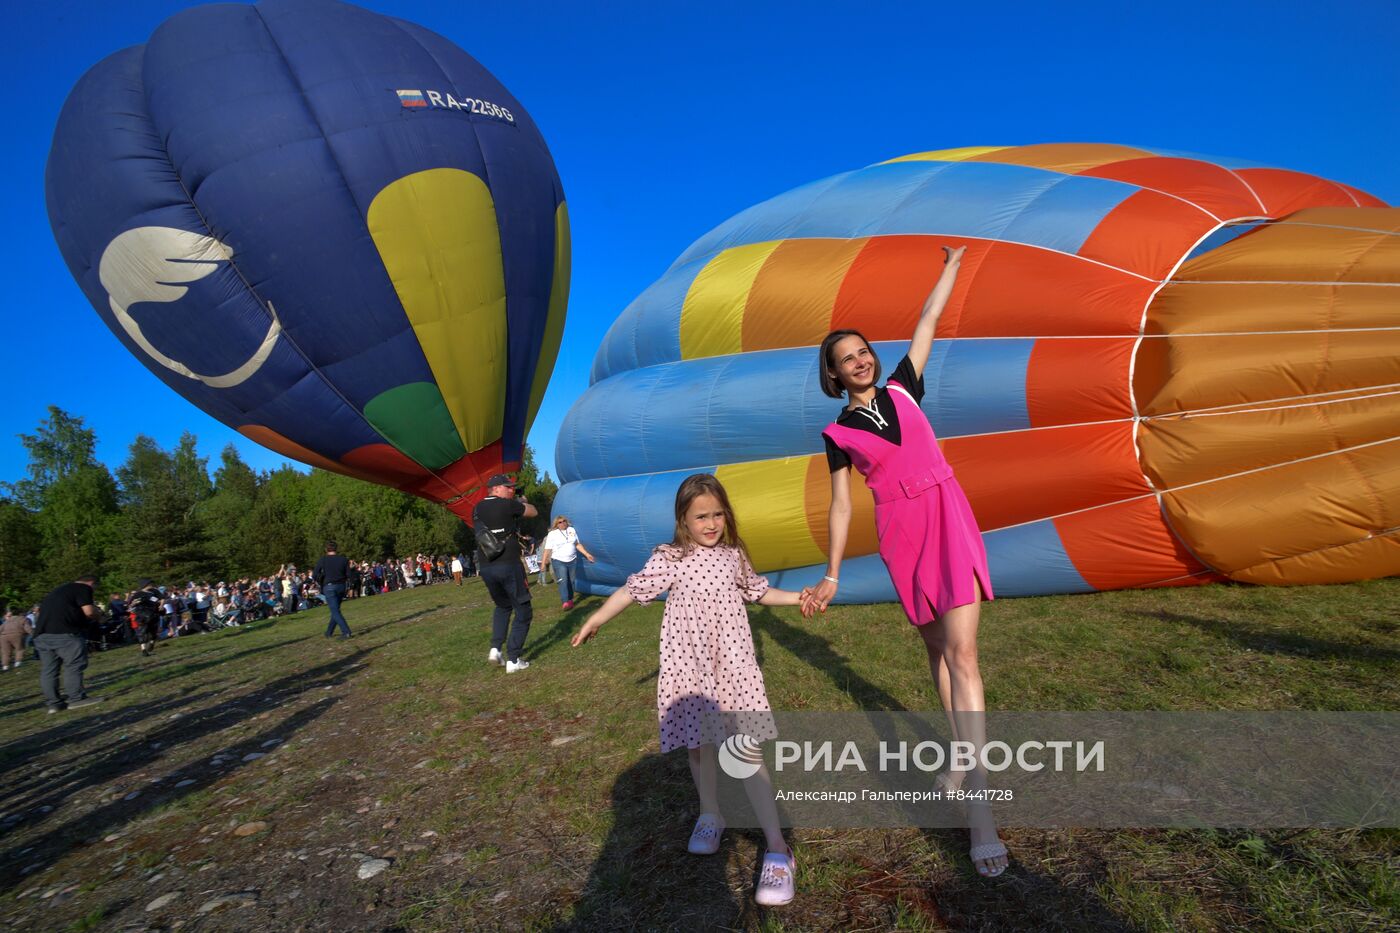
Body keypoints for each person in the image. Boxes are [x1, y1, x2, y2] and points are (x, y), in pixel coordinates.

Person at [806, 245, 1007, 878]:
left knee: (964, 653)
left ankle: (979, 810)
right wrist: (834, 572)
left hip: (947, 514)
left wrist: (951, 266)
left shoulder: (904, 386)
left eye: (864, 350)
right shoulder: (837, 435)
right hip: (901, 533)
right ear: (834, 375)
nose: (860, 360)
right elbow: (841, 507)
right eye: (847, 358)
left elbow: (928, 322)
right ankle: (957, 751)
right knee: (937, 653)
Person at [572, 474, 811, 906]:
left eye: (718, 514)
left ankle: (778, 848)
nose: (711, 523)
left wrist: (798, 598)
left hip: (733, 665)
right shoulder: (670, 558)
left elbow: (759, 592)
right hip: (691, 668)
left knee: (746, 751)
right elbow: (631, 590)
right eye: (701, 515)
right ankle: (710, 814)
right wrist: (595, 619)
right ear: (683, 517)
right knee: (698, 746)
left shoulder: (733, 556)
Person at [473, 474, 538, 672]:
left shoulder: (477, 508)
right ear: (497, 489)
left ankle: (495, 649)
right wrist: (522, 502)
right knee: (523, 610)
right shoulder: (507, 505)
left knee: (502, 606)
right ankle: (513, 659)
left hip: (486, 566)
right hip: (509, 564)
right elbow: (533, 512)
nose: (511, 491)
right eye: (508, 487)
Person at [33, 574, 105, 713]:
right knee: (74, 665)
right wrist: (100, 617)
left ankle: (53, 704)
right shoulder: (83, 588)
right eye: (95, 587)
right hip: (65, 634)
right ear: (91, 583)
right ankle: (76, 699)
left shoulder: (58, 590)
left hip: (42, 635)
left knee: (49, 670)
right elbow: (89, 612)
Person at [541, 515, 596, 610]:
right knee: (563, 581)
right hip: (558, 561)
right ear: (556, 524)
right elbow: (547, 549)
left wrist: (587, 554)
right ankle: (565, 601)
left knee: (572, 581)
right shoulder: (552, 534)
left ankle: (570, 599)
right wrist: (543, 563)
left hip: (572, 561)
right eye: (560, 522)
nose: (563, 523)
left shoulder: (571, 530)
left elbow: (577, 544)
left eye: (564, 521)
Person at [314, 540, 353, 640]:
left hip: (329, 586)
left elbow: (315, 575)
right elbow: (349, 574)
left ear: (326, 549)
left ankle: (346, 632)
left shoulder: (323, 560)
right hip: (341, 586)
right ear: (336, 549)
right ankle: (329, 632)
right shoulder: (343, 559)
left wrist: (321, 578)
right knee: (335, 610)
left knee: (334, 610)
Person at [129, 579, 163, 657]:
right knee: (142, 632)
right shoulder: (138, 594)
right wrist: (135, 602)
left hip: (153, 615)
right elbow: (130, 605)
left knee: (153, 632)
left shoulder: (153, 592)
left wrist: (160, 604)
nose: (151, 585)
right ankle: (143, 650)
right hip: (142, 616)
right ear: (145, 585)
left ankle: (151, 643)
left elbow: (159, 601)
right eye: (149, 583)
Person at [1, 604, 33, 671]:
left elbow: (1, 628)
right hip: (17, 635)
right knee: (20, 649)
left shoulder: (7, 621)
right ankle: (18, 663)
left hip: (3, 637)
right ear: (19, 613)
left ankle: (5, 666)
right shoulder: (23, 619)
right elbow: (27, 628)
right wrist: (32, 633)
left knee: (6, 652)